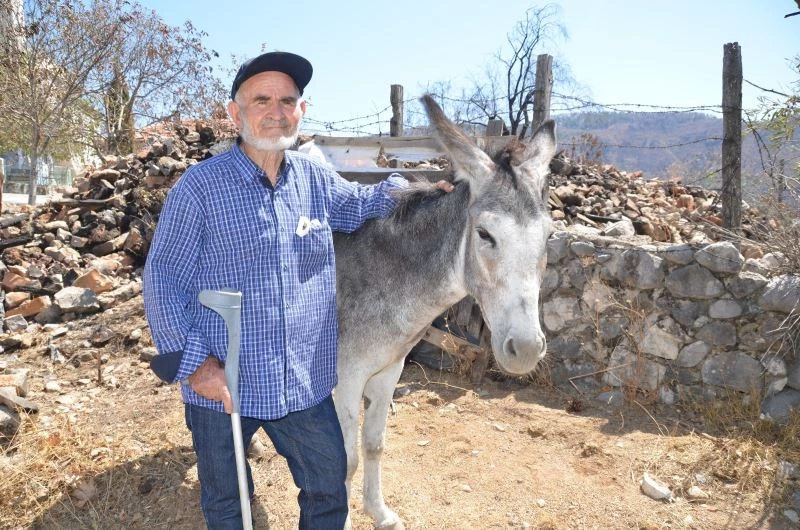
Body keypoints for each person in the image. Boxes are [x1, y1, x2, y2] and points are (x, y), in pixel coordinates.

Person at [143, 51, 451, 529]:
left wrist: (424, 189)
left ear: (301, 112)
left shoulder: (313, 180)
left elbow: (362, 204)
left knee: (328, 490)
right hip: (225, 383)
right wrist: (197, 367)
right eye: (261, 99)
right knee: (228, 503)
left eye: (288, 100)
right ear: (235, 113)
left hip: (301, 385)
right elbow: (163, 278)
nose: (277, 110)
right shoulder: (199, 189)